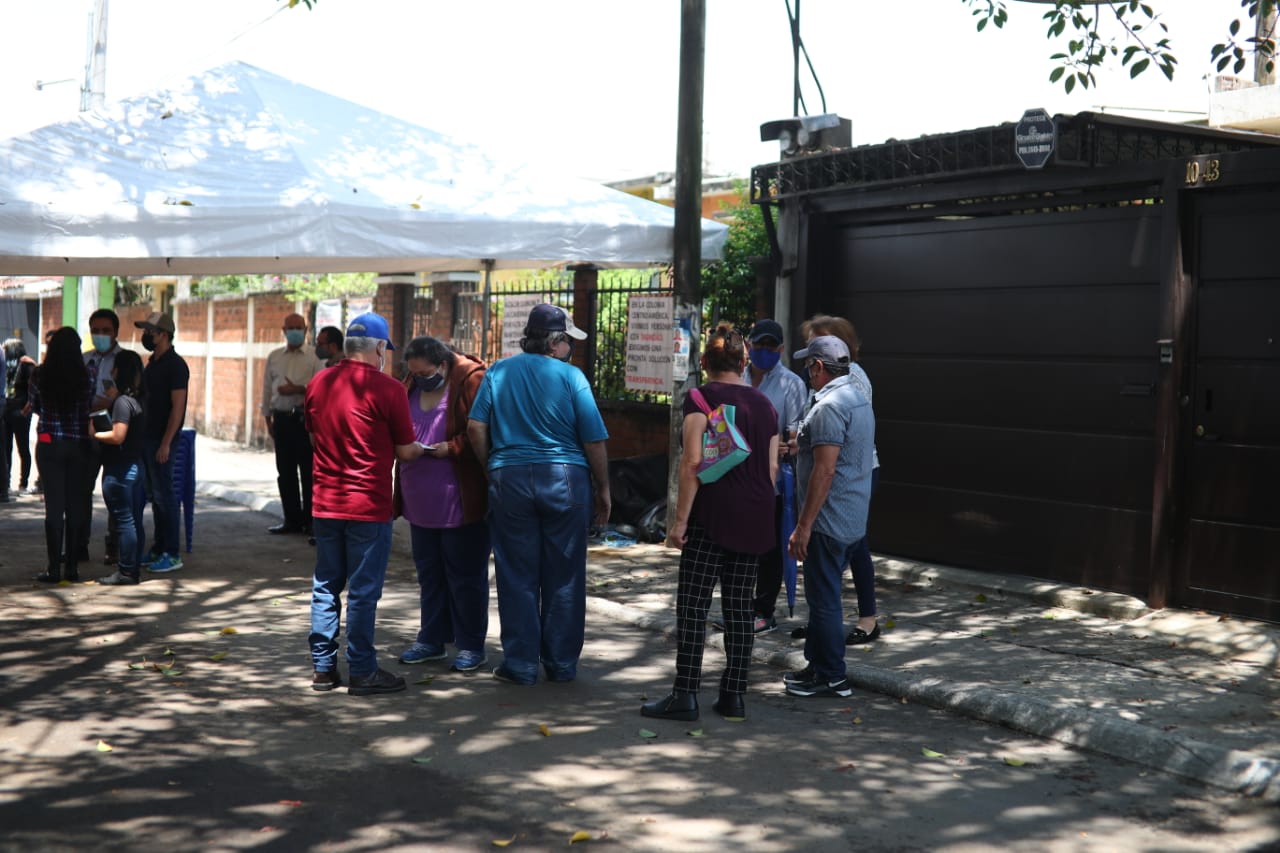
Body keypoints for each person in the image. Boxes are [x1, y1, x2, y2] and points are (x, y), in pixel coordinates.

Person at [641, 324, 779, 722]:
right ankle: (733, 696)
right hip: (754, 515)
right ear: (744, 361)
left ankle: (685, 694)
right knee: (739, 608)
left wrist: (679, 522)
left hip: (711, 515)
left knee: (694, 606)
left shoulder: (699, 398)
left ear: (704, 362)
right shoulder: (766, 407)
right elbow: (771, 468)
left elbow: (692, 464)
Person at [467, 303, 611, 686]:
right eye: (568, 341)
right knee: (564, 575)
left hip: (509, 480)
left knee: (517, 574)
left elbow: (475, 427)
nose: (570, 349)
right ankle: (561, 664)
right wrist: (604, 489)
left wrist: (491, 468)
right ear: (555, 343)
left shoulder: (498, 371)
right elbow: (593, 439)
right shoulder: (572, 377)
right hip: (566, 480)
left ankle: (521, 665)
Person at [305, 312, 430, 696]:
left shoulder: (318, 382)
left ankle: (324, 670)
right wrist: (431, 449)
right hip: (368, 507)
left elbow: (314, 439)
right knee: (362, 591)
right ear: (378, 348)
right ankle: (362, 670)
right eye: (385, 350)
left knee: (326, 586)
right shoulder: (389, 390)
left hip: (325, 503)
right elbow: (406, 451)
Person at [783, 335, 875, 699]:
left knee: (823, 600)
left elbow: (825, 471)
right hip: (851, 515)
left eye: (809, 365)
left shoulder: (830, 406)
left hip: (828, 519)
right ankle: (817, 665)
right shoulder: (857, 397)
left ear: (819, 367)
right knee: (825, 595)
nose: (807, 371)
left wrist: (803, 526)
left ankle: (831, 675)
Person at [394, 336, 491, 673]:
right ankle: (432, 638)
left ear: (445, 364)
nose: (421, 379)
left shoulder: (471, 381)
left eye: (427, 373)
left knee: (465, 576)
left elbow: (484, 430)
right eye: (415, 374)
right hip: (420, 500)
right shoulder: (410, 384)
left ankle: (471, 645)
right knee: (429, 574)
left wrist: (446, 448)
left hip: (460, 498)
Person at [792, 314, 882, 645]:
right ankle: (823, 627)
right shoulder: (826, 384)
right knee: (828, 564)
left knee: (847, 549)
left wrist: (804, 525)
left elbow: (832, 454)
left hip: (849, 475)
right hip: (838, 470)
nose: (812, 355)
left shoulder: (846, 384)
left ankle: (863, 619)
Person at [743, 318, 807, 634]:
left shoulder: (791, 385)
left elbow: (795, 438)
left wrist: (788, 445)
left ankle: (764, 611)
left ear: (781, 349)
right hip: (736, 476)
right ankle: (739, 607)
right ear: (748, 346)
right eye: (759, 345)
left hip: (772, 480)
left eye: (771, 347)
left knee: (768, 548)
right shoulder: (736, 378)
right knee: (739, 544)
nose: (764, 352)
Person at [27, 327, 93, 583]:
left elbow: (35, 407)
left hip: (50, 444)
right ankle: (73, 568)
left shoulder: (39, 375)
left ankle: (53, 568)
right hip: (79, 445)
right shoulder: (88, 375)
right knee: (75, 505)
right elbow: (89, 406)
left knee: (53, 506)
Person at [135, 311, 189, 574]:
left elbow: (178, 408)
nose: (146, 336)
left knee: (165, 497)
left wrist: (166, 443)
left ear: (164, 335)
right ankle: (159, 548)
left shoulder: (175, 366)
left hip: (161, 440)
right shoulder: (153, 363)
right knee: (156, 497)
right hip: (147, 438)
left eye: (150, 332)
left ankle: (172, 552)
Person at [262, 312, 323, 536]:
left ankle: (310, 520)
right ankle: (291, 520)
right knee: (285, 472)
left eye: (299, 327)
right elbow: (267, 389)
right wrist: (267, 418)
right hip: (282, 419)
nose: (295, 331)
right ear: (284, 331)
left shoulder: (315, 358)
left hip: (304, 421)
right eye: (291, 328)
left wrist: (298, 389)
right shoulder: (275, 356)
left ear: (306, 330)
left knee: (308, 472)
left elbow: (321, 390)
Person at [93, 350, 147, 586]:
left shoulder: (123, 404)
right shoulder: (137, 400)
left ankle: (126, 571)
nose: (111, 371)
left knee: (125, 521)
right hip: (135, 467)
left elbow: (117, 436)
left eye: (114, 367)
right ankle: (132, 568)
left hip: (120, 469)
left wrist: (95, 433)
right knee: (133, 520)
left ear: (119, 371)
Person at [79, 309, 125, 562]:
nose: (101, 335)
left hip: (115, 429)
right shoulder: (85, 360)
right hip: (87, 432)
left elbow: (123, 396)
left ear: (116, 332)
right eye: (96, 330)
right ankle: (79, 544)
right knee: (82, 489)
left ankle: (114, 545)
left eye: (106, 330)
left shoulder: (125, 360)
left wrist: (100, 403)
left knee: (114, 490)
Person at [3, 338, 36, 498]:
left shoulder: (26, 364)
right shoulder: (7, 365)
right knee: (7, 448)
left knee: (22, 447)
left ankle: (23, 483)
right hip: (7, 409)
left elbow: (36, 384)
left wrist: (29, 406)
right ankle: (6, 482)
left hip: (20, 410)